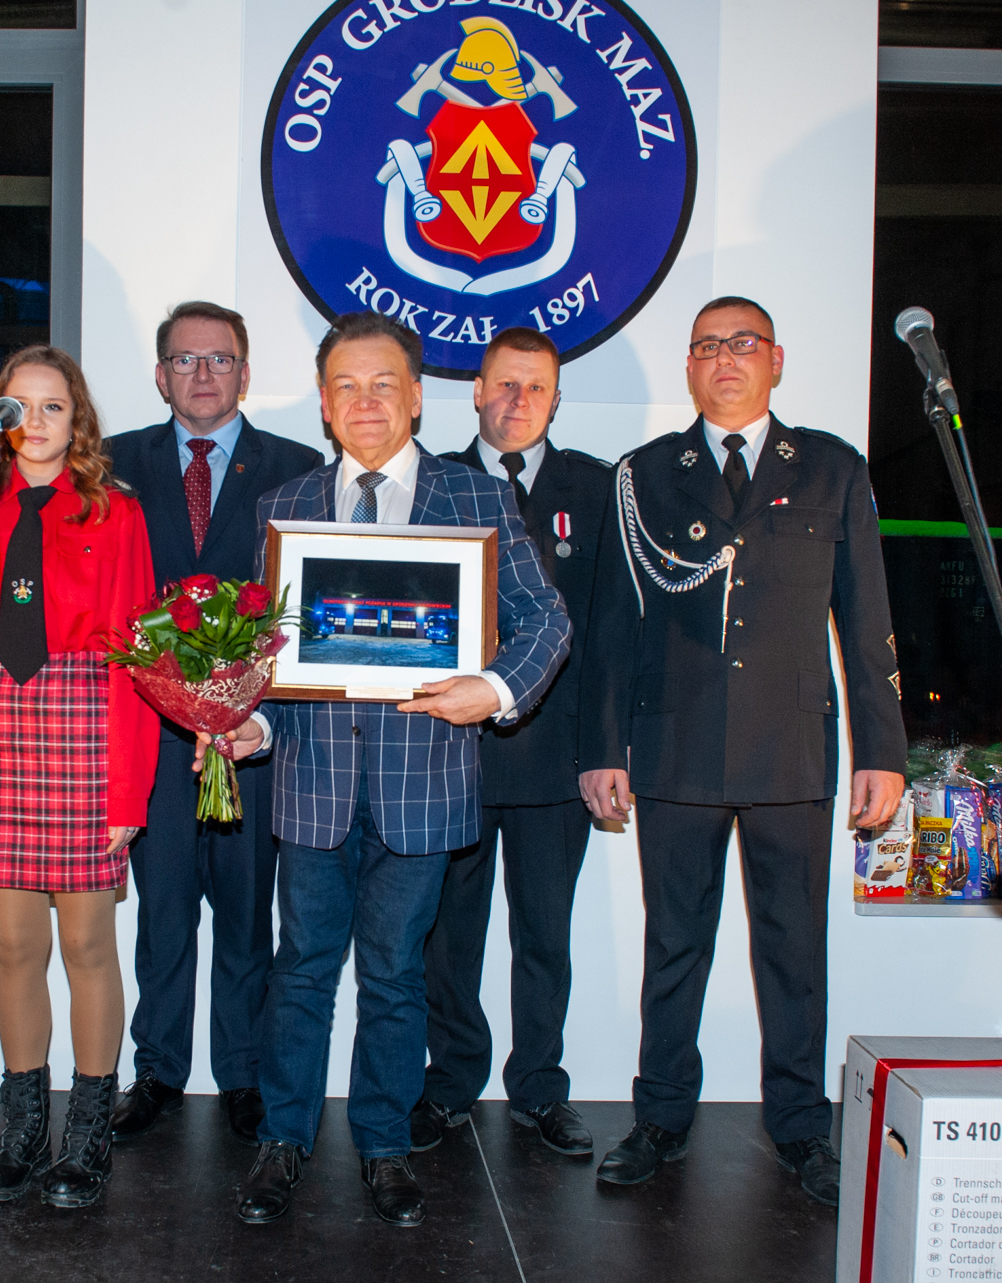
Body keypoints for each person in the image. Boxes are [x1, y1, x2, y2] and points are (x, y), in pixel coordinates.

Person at [210, 311, 571, 1228]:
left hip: (427, 787)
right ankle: (283, 1139)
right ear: (324, 403)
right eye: (346, 386)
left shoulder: (475, 498)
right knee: (300, 972)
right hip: (311, 785)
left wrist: (493, 689)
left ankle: (382, 1143)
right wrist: (252, 722)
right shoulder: (285, 505)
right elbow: (267, 655)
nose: (364, 401)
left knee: (398, 976)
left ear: (416, 397)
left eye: (383, 384)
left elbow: (548, 620)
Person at [577, 297, 908, 1204]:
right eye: (708, 346)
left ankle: (800, 1127)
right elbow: (611, 626)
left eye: (744, 343)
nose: (726, 358)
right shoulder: (644, 474)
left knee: (794, 950)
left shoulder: (833, 468)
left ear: (776, 360)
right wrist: (604, 746)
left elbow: (867, 618)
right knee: (673, 945)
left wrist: (882, 751)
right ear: (690, 366)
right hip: (674, 745)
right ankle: (660, 1117)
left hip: (790, 747)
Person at [0, 346, 159, 1210]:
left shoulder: (115, 512)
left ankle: (88, 1132)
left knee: (88, 946)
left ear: (77, 419)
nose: (36, 421)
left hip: (85, 729)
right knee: (15, 947)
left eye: (54, 406)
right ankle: (23, 1127)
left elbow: (136, 655)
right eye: (19, 405)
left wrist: (128, 790)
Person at [105, 302, 323, 1145]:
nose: (203, 374)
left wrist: (243, 706)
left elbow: (304, 605)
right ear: (161, 375)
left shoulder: (298, 468)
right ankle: (159, 1068)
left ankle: (243, 1074)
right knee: (161, 913)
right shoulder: (114, 465)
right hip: (150, 738)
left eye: (220, 359)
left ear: (245, 372)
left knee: (246, 913)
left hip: (252, 738)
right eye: (185, 360)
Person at [412, 328, 613, 1158]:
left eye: (535, 387)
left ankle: (538, 1088)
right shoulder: (432, 484)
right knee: (448, 938)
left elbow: (607, 634)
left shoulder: (595, 488)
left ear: (557, 398)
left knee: (544, 936)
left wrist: (605, 751)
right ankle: (452, 1081)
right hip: (450, 755)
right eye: (503, 384)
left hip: (555, 761)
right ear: (475, 390)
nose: (517, 400)